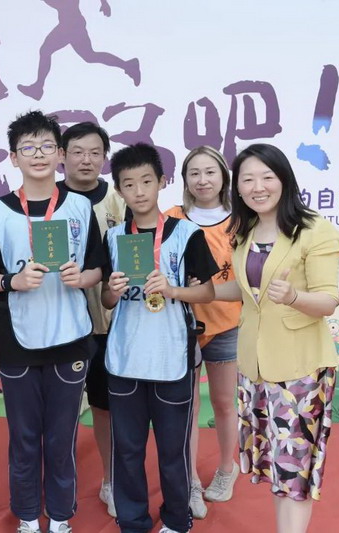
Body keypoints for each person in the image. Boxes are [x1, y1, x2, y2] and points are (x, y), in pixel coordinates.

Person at [0, 110, 105, 533]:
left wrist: (82, 277)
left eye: (47, 145)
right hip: (17, 340)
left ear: (60, 154)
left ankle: (61, 517)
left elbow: (97, 266)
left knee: (62, 436)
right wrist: (12, 282)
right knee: (25, 437)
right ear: (14, 158)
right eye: (28, 147)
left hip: (70, 337)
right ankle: (28, 516)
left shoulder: (80, 206)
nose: (39, 154)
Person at [213, 143, 339, 533]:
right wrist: (186, 291)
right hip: (255, 367)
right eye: (248, 179)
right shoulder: (246, 230)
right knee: (277, 467)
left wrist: (293, 297)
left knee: (295, 470)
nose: (258, 187)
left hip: (300, 371)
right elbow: (245, 291)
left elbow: (328, 300)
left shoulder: (315, 230)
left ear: (284, 179)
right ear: (237, 188)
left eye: (267, 177)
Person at [101, 142, 218, 533]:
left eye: (146, 181)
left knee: (173, 450)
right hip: (124, 359)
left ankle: (177, 519)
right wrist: (112, 291)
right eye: (129, 184)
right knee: (127, 450)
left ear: (162, 182)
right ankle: (132, 520)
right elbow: (105, 299)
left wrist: (172, 290)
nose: (139, 191)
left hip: (172, 357)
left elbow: (207, 293)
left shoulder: (186, 234)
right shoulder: (114, 237)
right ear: (119, 189)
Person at [164, 146, 241, 519]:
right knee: (188, 407)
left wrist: (205, 289)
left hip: (227, 324)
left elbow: (247, 280)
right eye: (194, 173)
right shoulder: (171, 218)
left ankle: (227, 468)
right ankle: (191, 478)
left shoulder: (241, 221)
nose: (202, 180)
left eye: (210, 172)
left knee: (224, 402)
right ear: (184, 180)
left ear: (224, 177)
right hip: (182, 327)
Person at [57, 121, 125, 518]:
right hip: (60, 323)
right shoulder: (49, 201)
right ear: (62, 155)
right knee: (58, 409)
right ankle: (56, 483)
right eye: (78, 152)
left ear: (104, 157)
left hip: (112, 322)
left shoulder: (119, 200)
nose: (86, 160)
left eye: (95, 152)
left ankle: (111, 479)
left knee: (104, 405)